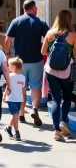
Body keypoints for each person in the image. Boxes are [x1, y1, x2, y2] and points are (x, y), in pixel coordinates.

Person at [5, 0, 49, 125]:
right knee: (36, 86)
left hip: (20, 62)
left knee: (21, 87)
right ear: (34, 8)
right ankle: (35, 108)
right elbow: (49, 37)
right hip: (36, 60)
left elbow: (8, 39)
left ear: (23, 8)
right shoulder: (40, 22)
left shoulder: (16, 21)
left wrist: (8, 53)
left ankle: (21, 113)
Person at [41, 10, 76, 141]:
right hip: (66, 71)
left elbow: (43, 51)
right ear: (69, 20)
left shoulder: (49, 33)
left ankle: (56, 130)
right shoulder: (73, 35)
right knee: (67, 98)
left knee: (55, 99)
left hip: (51, 70)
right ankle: (63, 121)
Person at [4, 57, 25, 141]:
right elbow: (7, 86)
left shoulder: (22, 77)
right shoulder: (10, 76)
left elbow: (23, 89)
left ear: (14, 66)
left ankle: (9, 128)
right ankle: (17, 132)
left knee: (15, 116)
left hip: (19, 99)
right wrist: (5, 95)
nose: (8, 67)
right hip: (11, 99)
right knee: (15, 115)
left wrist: (23, 98)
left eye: (9, 65)